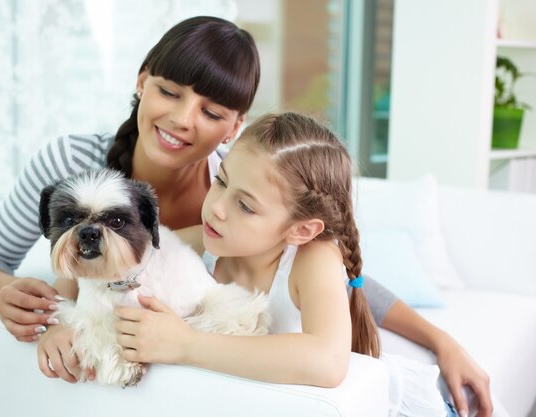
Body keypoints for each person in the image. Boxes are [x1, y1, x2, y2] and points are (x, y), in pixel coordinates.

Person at [0, 16, 492, 417]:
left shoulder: (237, 181)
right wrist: (44, 315)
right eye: (168, 91)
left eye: (212, 112)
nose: (184, 120)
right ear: (142, 81)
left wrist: (441, 340)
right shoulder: (78, 166)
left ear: (235, 126)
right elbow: (58, 280)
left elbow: (331, 273)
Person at [112, 112, 451, 416]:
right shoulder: (206, 240)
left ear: (301, 230)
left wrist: (185, 345)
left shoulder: (313, 259)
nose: (216, 207)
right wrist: (59, 325)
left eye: (245, 206)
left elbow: (328, 361)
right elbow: (115, 259)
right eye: (222, 182)